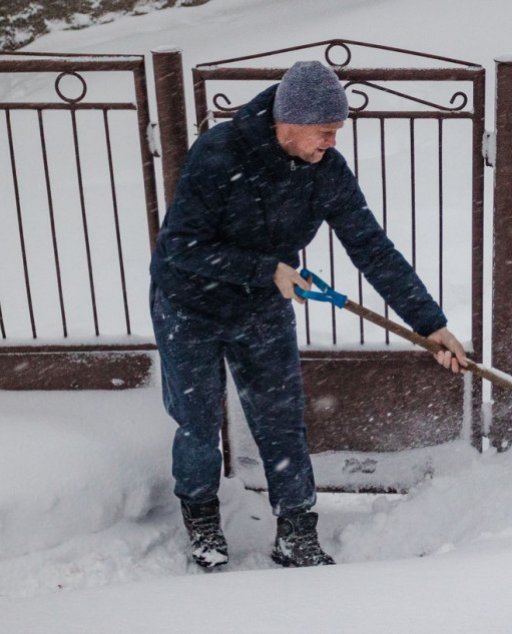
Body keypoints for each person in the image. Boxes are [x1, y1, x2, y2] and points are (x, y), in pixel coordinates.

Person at [149, 61, 468, 569]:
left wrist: (430, 324)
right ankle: (202, 517)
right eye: (325, 132)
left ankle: (296, 531)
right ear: (290, 121)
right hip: (190, 304)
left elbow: (372, 248)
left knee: (281, 421)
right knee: (197, 420)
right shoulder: (219, 154)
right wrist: (265, 268)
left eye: (336, 132)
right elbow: (180, 247)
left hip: (259, 308)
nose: (331, 143)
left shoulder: (327, 174)